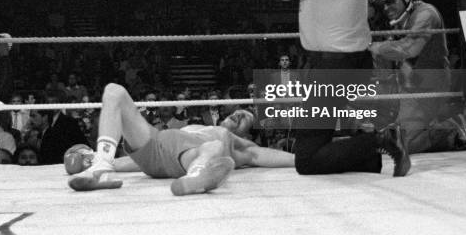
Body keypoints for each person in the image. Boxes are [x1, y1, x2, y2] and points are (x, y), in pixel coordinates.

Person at [275, 0, 410, 177]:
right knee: (319, 141)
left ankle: (382, 141)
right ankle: (369, 159)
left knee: (307, 159)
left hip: (333, 70)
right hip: (357, 64)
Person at [65, 83, 295, 196]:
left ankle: (197, 177)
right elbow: (138, 164)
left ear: (246, 133)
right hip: (154, 147)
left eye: (246, 118)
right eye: (239, 110)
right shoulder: (199, 126)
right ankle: (99, 167)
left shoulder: (232, 143)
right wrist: (103, 162)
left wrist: (304, 160)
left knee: (214, 145)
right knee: (114, 91)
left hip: (186, 160)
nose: (239, 113)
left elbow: (262, 155)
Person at [367, 0, 466, 154]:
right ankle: (434, 119)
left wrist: (376, 47)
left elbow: (410, 48)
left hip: (429, 87)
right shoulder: (393, 16)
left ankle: (451, 130)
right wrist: (363, 3)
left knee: (398, 145)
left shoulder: (426, 14)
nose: (385, 8)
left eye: (390, 2)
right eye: (380, 3)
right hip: (404, 85)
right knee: (373, 129)